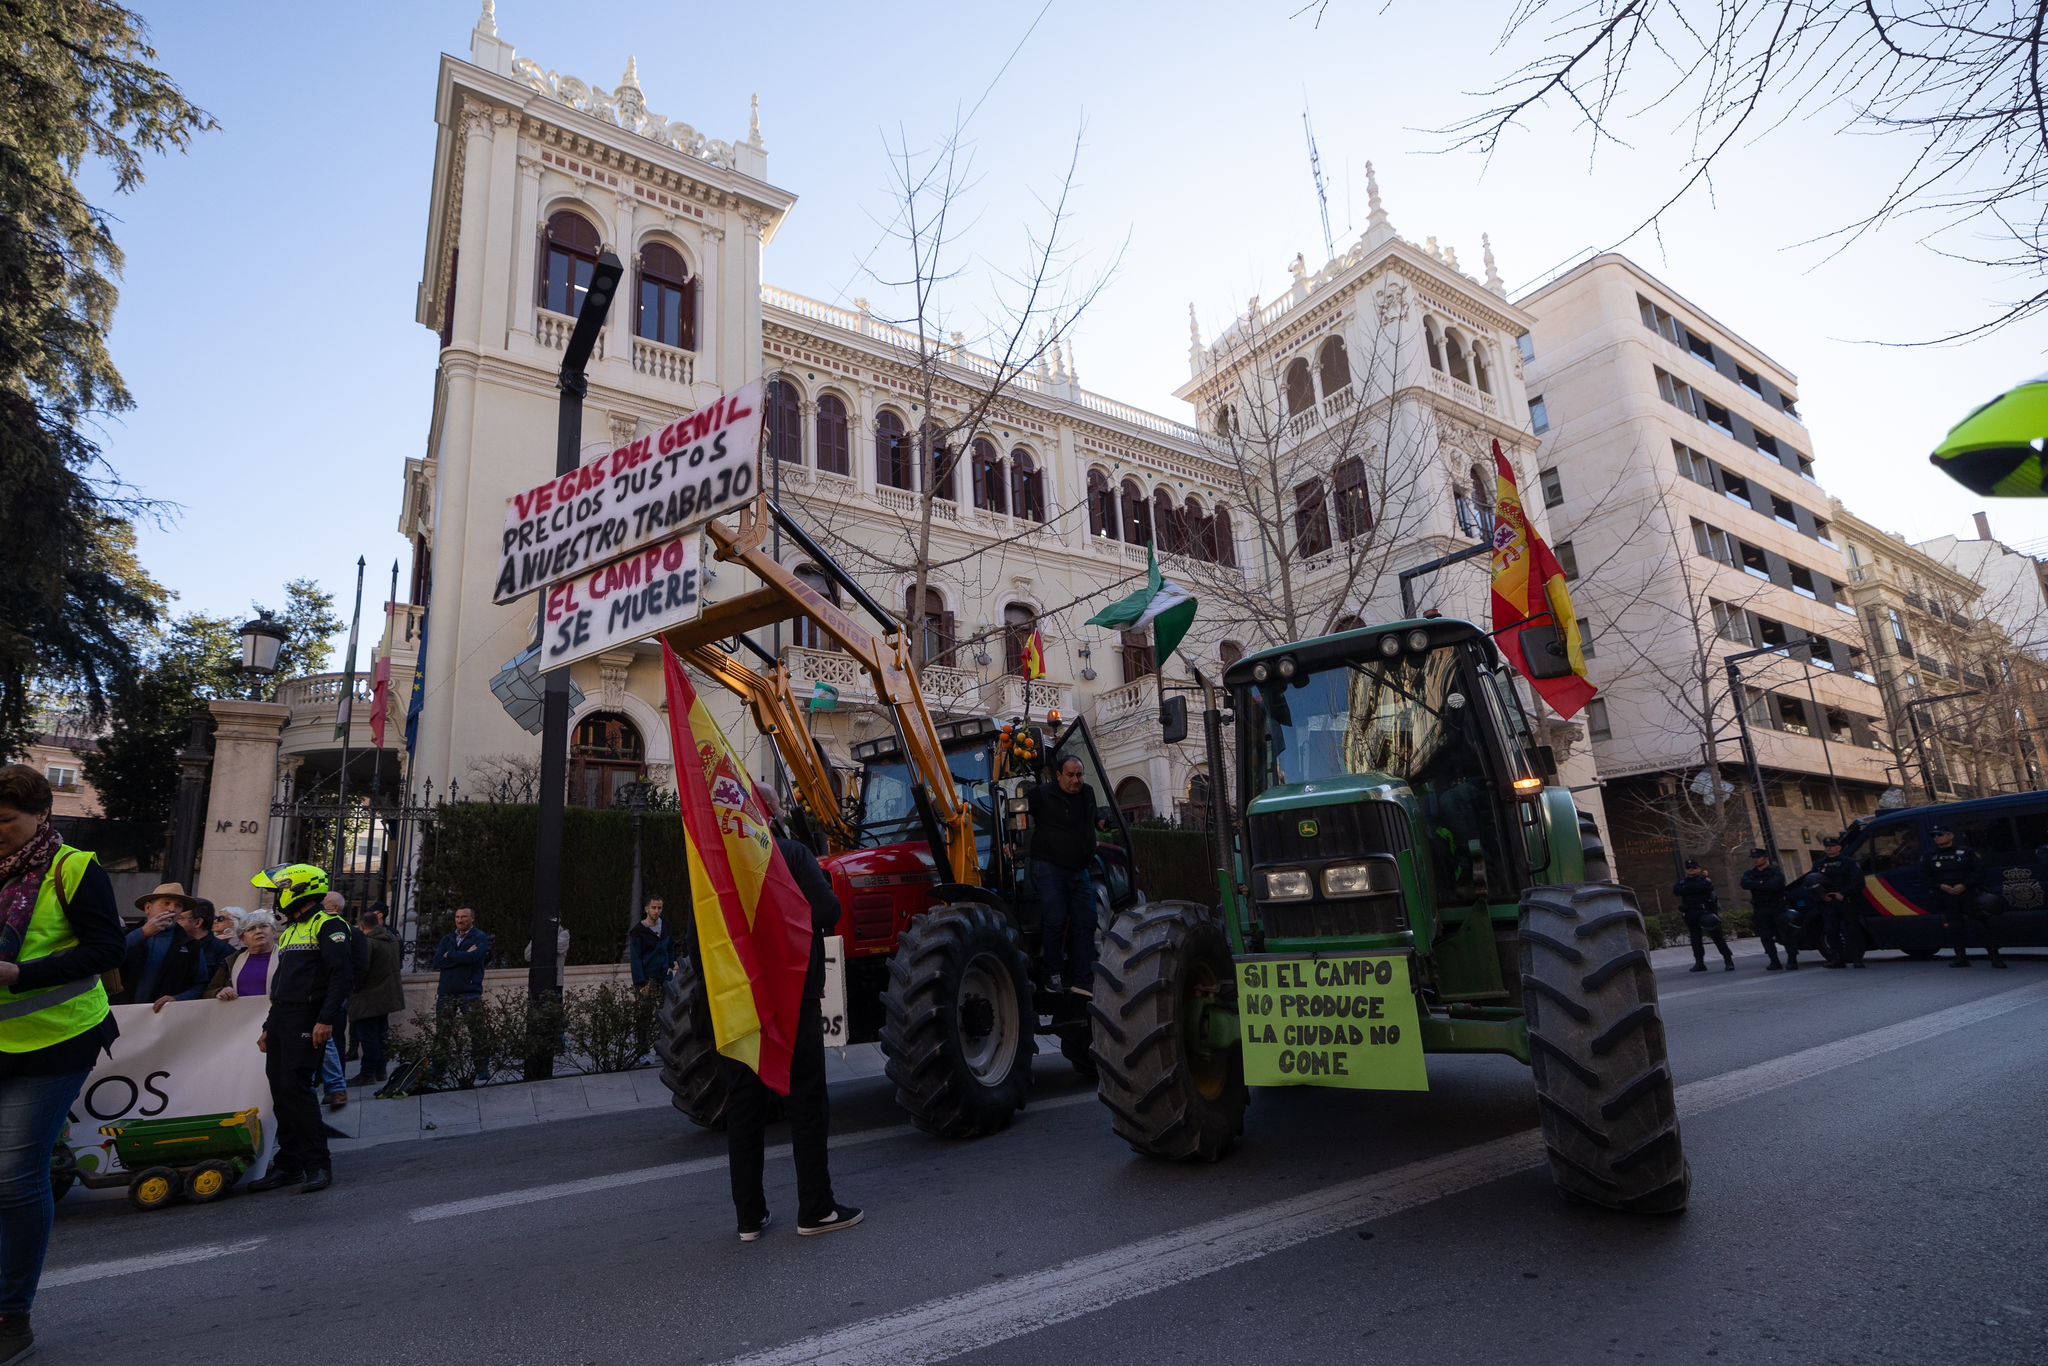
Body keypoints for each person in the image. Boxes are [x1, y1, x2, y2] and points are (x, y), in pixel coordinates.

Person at [0, 765, 122, 1362]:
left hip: (58, 1041)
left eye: (6, 821)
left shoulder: (74, 868)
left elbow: (106, 950)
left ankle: (11, 1316)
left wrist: (21, 974)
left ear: (42, 814)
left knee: (13, 1177)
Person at [725, 791, 859, 1242]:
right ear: (769, 815)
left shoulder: (717, 865)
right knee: (805, 1096)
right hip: (793, 991)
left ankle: (748, 1218)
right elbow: (828, 910)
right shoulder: (792, 854)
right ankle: (815, 1209)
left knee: (744, 1103)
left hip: (741, 997)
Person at [246, 864, 355, 1194]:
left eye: (282, 890)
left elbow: (341, 977)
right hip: (282, 1018)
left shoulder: (330, 924)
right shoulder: (292, 929)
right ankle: (289, 1164)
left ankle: (317, 1164)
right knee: (280, 1091)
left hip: (308, 1020)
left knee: (298, 1091)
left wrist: (324, 1019)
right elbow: (282, 982)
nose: (279, 897)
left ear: (300, 890)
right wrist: (269, 1025)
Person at [1022, 755, 1101, 997]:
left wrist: (1102, 821)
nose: (1076, 780)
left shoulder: (1087, 793)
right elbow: (1018, 817)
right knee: (1055, 920)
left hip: (1079, 869)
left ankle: (1083, 978)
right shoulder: (1041, 795)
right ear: (1058, 775)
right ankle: (1052, 973)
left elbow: (1093, 820)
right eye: (1071, 775)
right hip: (1049, 867)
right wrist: (1012, 841)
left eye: (1079, 774)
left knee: (1087, 919)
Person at [1923, 824, 2005, 969]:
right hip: (1947, 897)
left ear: (1950, 835)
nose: (1937, 838)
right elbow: (1926, 876)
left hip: (1968, 894)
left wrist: (1964, 885)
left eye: (1940, 834)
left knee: (1981, 926)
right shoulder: (1929, 856)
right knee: (1955, 928)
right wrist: (1941, 886)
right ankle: (1961, 959)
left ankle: (1995, 958)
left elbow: (1978, 870)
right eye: (1935, 836)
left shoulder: (1966, 852)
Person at [431, 908, 491, 1086]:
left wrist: (451, 955)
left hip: (469, 991)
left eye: (464, 916)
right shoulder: (447, 938)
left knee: (477, 1031)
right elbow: (437, 962)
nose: (460, 919)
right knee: (442, 1033)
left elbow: (475, 958)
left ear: (472, 918)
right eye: (457, 917)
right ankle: (438, 1069)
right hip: (447, 991)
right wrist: (463, 955)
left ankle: (482, 1068)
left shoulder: (480, 938)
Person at [348, 905, 404, 1084]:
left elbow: (361, 969)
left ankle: (367, 1073)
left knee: (368, 1036)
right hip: (387, 995)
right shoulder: (391, 939)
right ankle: (380, 1071)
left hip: (369, 996)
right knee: (381, 1034)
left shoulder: (368, 942)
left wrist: (353, 987)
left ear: (362, 926)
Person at [116, 881, 197, 1005]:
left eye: (178, 905)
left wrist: (177, 999)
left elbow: (201, 983)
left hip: (163, 1018)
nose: (172, 909)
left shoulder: (190, 945)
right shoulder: (127, 935)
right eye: (166, 903)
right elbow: (109, 958)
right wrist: (143, 933)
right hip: (122, 1012)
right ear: (148, 908)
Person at [148, 897, 236, 1011]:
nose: (174, 920)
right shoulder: (169, 944)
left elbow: (211, 987)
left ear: (198, 922)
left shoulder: (225, 952)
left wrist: (179, 998)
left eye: (180, 918)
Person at [1815, 833, 1866, 969]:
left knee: (1852, 931)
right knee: (1831, 931)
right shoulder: (1819, 864)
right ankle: (1836, 959)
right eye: (1827, 847)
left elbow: (1858, 881)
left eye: (1832, 846)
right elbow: (1812, 882)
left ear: (1839, 847)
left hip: (1846, 901)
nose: (1829, 849)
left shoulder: (1848, 862)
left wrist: (1843, 893)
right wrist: (1821, 896)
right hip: (1828, 903)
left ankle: (1857, 959)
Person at [1673, 859, 1734, 972]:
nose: (1691, 871)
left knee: (1717, 937)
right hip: (1691, 913)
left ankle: (1728, 960)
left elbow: (1701, 887)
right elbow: (1676, 891)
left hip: (1705, 912)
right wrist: (1688, 888)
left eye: (1694, 868)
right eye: (1689, 869)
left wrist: (1687, 888)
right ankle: (1699, 963)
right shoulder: (1683, 882)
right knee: (1695, 939)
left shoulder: (1704, 881)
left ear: (1699, 869)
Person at [205, 912, 277, 999]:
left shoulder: (287, 958)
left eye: (264, 926)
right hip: (238, 1012)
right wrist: (220, 991)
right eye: (251, 929)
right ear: (243, 938)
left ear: (273, 932)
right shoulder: (231, 961)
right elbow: (208, 991)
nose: (258, 931)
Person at [1738, 848, 1788, 971]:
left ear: (1765, 858)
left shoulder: (1775, 872)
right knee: (1765, 936)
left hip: (1777, 907)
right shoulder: (1750, 873)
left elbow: (1774, 885)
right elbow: (1744, 884)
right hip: (1761, 908)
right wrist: (1761, 883)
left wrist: (1757, 884)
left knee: (1785, 934)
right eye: (1754, 858)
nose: (1755, 860)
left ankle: (1792, 959)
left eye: (1758, 857)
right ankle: (1774, 961)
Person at [628, 899, 674, 996]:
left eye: (659, 908)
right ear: (646, 909)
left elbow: (670, 947)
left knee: (669, 1007)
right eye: (653, 908)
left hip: (666, 977)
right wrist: (641, 983)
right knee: (648, 1009)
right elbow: (635, 958)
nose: (656, 911)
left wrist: (670, 966)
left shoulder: (666, 925)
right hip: (648, 980)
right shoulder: (637, 931)